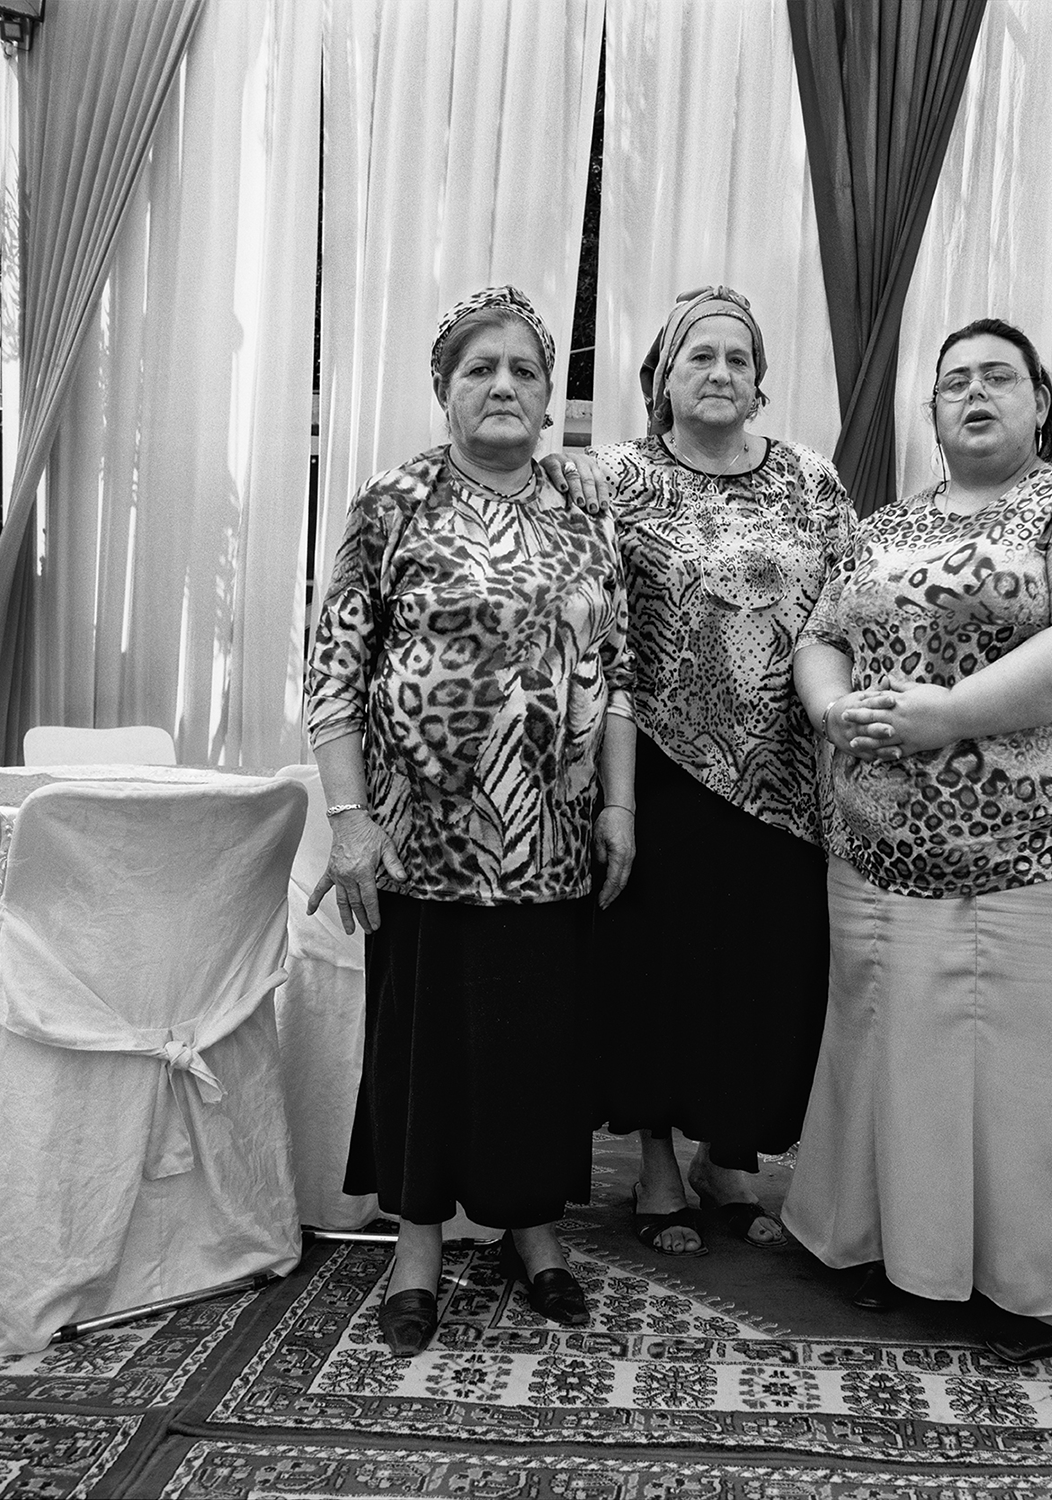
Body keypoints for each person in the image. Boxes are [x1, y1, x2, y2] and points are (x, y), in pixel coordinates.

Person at [783, 316, 1052, 1362]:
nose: (975, 394)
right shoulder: (881, 528)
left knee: (1037, 1069)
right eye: (954, 382)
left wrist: (948, 714)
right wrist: (828, 711)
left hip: (1040, 845)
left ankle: (1044, 1282)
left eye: (1000, 377)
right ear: (933, 412)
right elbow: (820, 638)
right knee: (894, 1057)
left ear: (1040, 402)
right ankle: (891, 1248)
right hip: (878, 851)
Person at [305, 285, 636, 1356]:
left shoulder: (585, 509)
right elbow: (334, 670)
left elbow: (617, 672)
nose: (503, 385)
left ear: (548, 400)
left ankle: (534, 1231)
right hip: (422, 836)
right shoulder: (392, 501)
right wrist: (350, 818)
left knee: (537, 1042)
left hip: (551, 837)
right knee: (426, 1045)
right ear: (443, 388)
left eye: (524, 371)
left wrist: (619, 803)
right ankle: (416, 1245)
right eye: (479, 368)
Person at [586, 286, 855, 1256]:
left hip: (788, 778)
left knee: (764, 975)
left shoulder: (810, 482)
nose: (719, 371)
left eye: (738, 358)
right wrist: (609, 795)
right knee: (659, 975)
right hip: (658, 771)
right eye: (699, 355)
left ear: (760, 383)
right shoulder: (615, 479)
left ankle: (728, 1158)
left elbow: (850, 612)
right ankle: (658, 1165)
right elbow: (598, 641)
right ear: (661, 377)